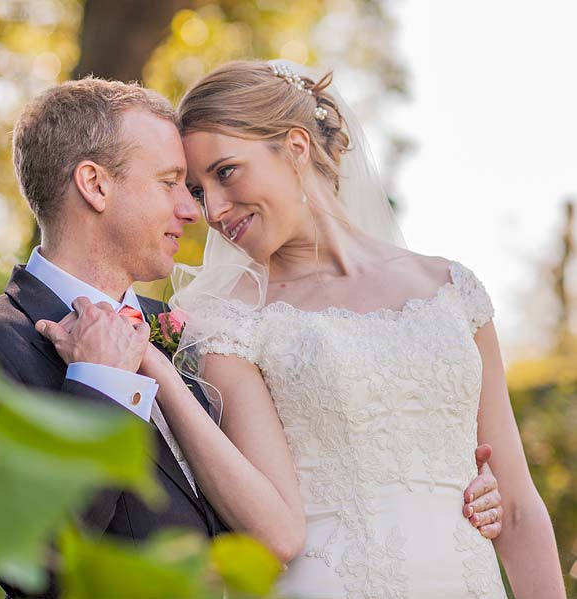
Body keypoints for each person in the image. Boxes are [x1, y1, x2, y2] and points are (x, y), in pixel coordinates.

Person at [0, 75, 505, 599]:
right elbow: (32, 564)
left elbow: (297, 479)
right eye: (170, 183)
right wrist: (101, 381)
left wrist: (446, 491)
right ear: (95, 185)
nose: (194, 211)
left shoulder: (189, 327)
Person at [135, 59, 563, 598]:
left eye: (225, 172)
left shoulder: (453, 290)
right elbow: (265, 521)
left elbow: (518, 505)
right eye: (197, 192)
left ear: (294, 146)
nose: (214, 210)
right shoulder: (227, 322)